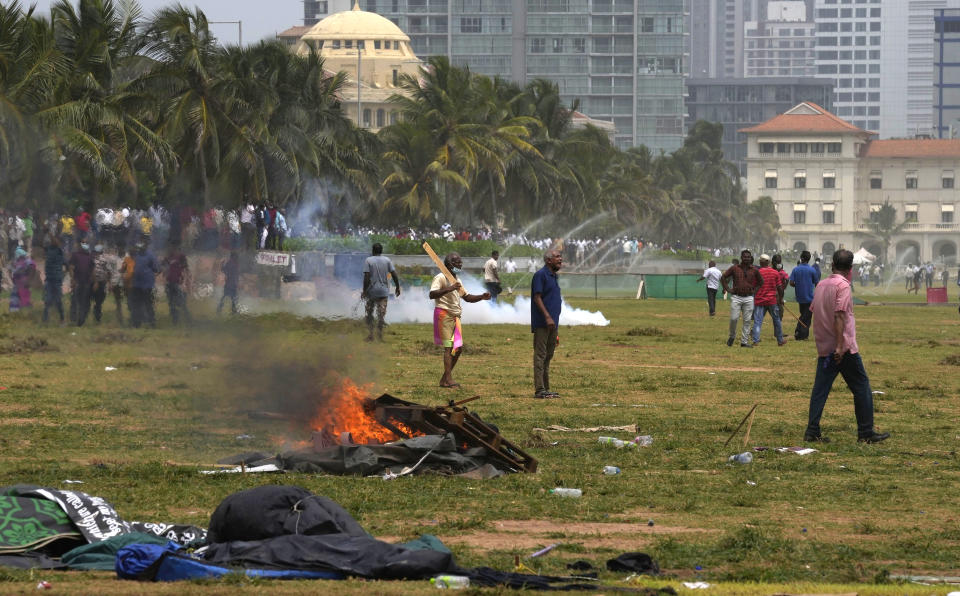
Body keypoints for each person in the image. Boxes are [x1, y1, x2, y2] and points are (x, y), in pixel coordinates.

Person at [804, 249, 890, 444]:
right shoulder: (843, 286)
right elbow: (839, 315)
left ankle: (812, 430)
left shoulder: (821, 285)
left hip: (824, 347)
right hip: (844, 349)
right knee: (861, 388)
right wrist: (841, 346)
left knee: (820, 390)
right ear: (850, 269)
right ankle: (866, 433)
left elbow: (813, 311)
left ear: (832, 265)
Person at [429, 252, 490, 388]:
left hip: (455, 316)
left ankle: (444, 379)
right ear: (449, 264)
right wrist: (450, 288)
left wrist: (482, 296)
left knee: (458, 349)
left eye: (460, 262)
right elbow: (432, 294)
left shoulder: (457, 280)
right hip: (444, 314)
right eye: (457, 262)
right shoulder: (440, 278)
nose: (460, 264)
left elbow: (467, 297)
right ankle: (449, 380)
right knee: (449, 348)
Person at [531, 249, 563, 398]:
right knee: (540, 355)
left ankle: (546, 388)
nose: (560, 259)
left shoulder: (553, 276)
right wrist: (547, 317)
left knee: (548, 355)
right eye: (557, 257)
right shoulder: (540, 275)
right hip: (543, 323)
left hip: (553, 324)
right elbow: (537, 298)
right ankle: (539, 389)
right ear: (548, 260)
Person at [720, 250, 763, 348]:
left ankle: (744, 342)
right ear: (741, 257)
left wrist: (754, 291)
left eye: (748, 257)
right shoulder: (735, 268)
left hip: (748, 298)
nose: (746, 258)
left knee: (747, 321)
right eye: (745, 257)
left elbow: (761, 282)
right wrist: (728, 289)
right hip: (736, 297)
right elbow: (723, 277)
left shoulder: (754, 270)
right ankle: (732, 336)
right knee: (733, 318)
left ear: (751, 258)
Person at [361, 243, 400, 341]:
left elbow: (366, 277)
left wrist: (364, 291)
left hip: (371, 292)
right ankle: (380, 336)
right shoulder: (387, 260)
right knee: (381, 315)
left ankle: (370, 335)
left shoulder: (368, 260)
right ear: (381, 251)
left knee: (369, 314)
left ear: (373, 251)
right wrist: (397, 287)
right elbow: (394, 274)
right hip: (383, 292)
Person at [751, 254, 786, 346]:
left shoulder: (757, 273)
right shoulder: (775, 273)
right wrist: (781, 299)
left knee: (758, 321)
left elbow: (754, 287)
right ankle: (780, 340)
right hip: (772, 300)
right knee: (776, 320)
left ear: (760, 262)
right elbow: (780, 288)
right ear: (769, 262)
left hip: (759, 300)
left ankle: (755, 340)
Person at [789, 250, 820, 341]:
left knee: (804, 315)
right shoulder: (812, 270)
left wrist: (798, 285)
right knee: (806, 317)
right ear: (809, 259)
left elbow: (791, 283)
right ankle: (801, 334)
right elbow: (817, 283)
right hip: (809, 297)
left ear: (801, 258)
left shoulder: (796, 269)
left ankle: (800, 333)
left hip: (799, 297)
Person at [130, 243, 160, 328]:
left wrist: (151, 277)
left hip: (147, 285)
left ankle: (152, 323)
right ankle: (136, 324)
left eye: (141, 248)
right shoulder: (136, 256)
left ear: (145, 247)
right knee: (136, 305)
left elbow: (157, 269)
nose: (139, 249)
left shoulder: (151, 256)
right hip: (137, 284)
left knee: (148, 304)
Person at [91, 244, 123, 324]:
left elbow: (108, 271)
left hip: (93, 282)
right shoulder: (105, 259)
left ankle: (96, 316)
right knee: (99, 301)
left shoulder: (92, 258)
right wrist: (109, 283)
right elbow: (109, 272)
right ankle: (97, 316)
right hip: (100, 282)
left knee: (95, 301)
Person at [162, 244, 191, 325]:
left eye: (175, 248)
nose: (173, 250)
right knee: (171, 303)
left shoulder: (181, 257)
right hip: (169, 283)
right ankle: (175, 320)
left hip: (178, 283)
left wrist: (185, 282)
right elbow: (163, 267)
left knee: (182, 303)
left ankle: (188, 319)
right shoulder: (168, 257)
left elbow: (186, 269)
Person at [68, 241, 95, 326]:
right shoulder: (75, 255)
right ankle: (73, 319)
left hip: (86, 283)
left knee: (83, 301)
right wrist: (73, 280)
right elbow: (71, 268)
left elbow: (93, 270)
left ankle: (81, 320)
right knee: (76, 300)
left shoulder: (90, 257)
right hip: (78, 282)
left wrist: (93, 282)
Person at [42, 236, 66, 325]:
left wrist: (63, 275)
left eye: (56, 240)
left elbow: (67, 264)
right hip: (49, 279)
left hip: (56, 280)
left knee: (58, 300)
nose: (54, 241)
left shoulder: (60, 252)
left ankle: (62, 318)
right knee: (47, 300)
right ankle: (45, 319)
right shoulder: (48, 250)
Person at [8, 247, 35, 312]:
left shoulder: (27, 261)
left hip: (24, 282)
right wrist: (12, 278)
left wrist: (29, 280)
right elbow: (10, 269)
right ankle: (15, 311)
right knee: (15, 296)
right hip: (17, 283)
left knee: (24, 296)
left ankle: (26, 310)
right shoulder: (16, 262)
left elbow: (32, 268)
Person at [218, 251, 241, 315]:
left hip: (229, 283)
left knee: (226, 296)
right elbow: (235, 274)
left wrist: (222, 264)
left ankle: (220, 308)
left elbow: (224, 270)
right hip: (232, 284)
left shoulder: (230, 263)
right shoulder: (235, 263)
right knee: (233, 297)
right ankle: (233, 311)